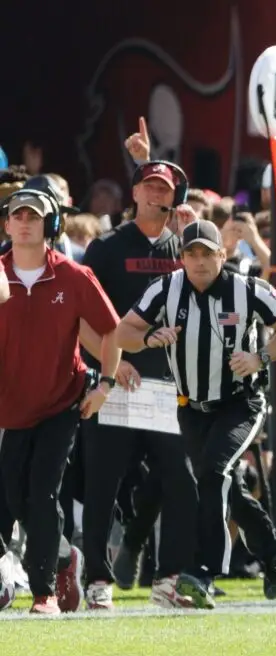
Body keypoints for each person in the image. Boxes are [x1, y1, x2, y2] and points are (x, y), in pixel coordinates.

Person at [115, 220, 276, 609]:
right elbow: (123, 333)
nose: (199, 261)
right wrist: (151, 337)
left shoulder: (247, 288)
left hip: (241, 402)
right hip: (191, 408)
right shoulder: (165, 288)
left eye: (207, 253)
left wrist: (260, 357)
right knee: (226, 489)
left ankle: (204, 570)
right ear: (182, 257)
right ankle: (274, 550)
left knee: (214, 473)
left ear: (223, 254)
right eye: (191, 253)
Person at [80, 160, 202, 610]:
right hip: (116, 384)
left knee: (181, 482)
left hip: (169, 388)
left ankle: (167, 578)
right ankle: (97, 580)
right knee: (103, 484)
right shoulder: (106, 247)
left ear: (175, 196)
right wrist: (114, 363)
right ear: (134, 192)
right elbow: (84, 319)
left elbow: (211, 299)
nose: (156, 195)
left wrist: (197, 239)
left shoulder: (188, 248)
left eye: (164, 189)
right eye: (149, 186)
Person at [0, 189, 121, 615]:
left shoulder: (73, 275)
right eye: (19, 216)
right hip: (9, 409)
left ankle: (43, 592)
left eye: (35, 216)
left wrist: (104, 385)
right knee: (12, 498)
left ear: (51, 225)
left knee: (42, 494)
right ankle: (67, 557)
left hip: (61, 402)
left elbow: (111, 332)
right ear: (7, 224)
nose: (26, 223)